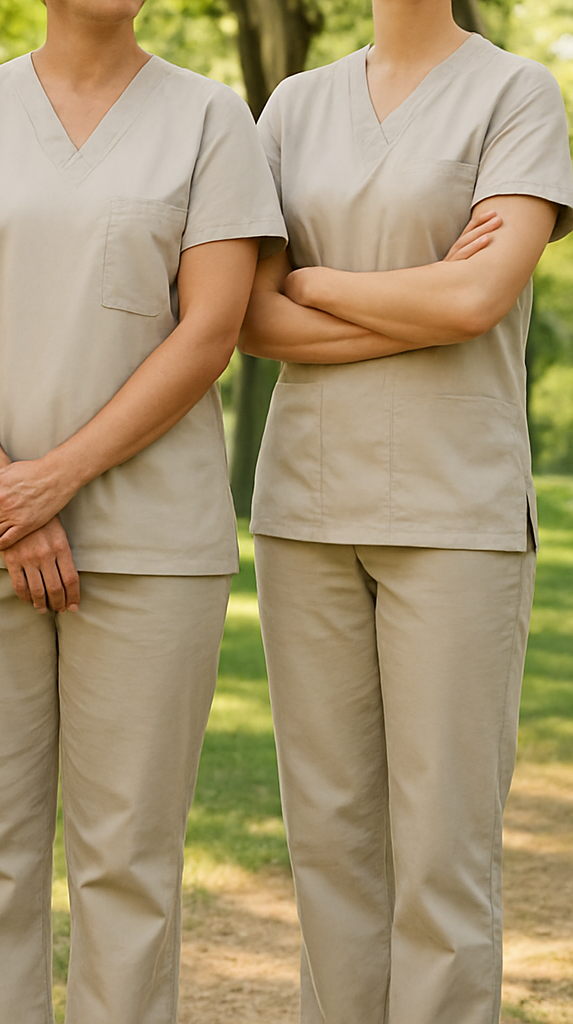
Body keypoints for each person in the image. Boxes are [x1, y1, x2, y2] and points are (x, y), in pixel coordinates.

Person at [0, 0, 286, 1019]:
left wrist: (54, 478)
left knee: (129, 861)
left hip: (154, 544)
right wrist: (9, 499)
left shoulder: (211, 121)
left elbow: (209, 331)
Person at [238, 2, 573, 1020]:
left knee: (442, 854)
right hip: (305, 506)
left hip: (455, 510)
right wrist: (420, 299)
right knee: (331, 844)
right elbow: (248, 315)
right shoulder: (294, 106)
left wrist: (321, 280)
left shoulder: (517, 94)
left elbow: (477, 304)